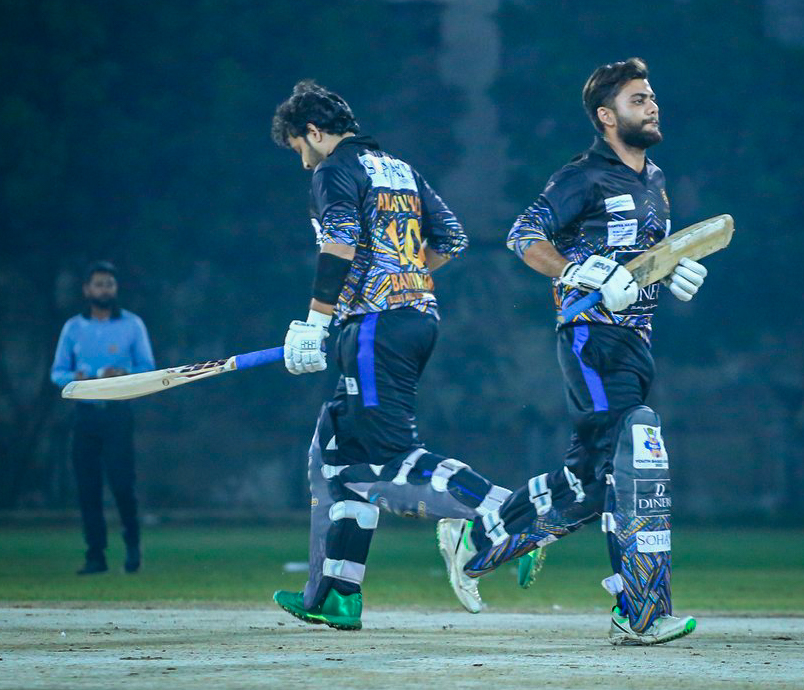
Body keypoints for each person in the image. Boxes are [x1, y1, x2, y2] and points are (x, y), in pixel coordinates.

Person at [437, 58, 709, 646]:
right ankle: (640, 611)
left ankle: (477, 539)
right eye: (638, 100)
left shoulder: (655, 179)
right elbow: (522, 237)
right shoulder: (581, 176)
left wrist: (675, 272)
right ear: (607, 117)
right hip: (590, 337)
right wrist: (576, 271)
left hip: (637, 342)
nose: (652, 106)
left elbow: (645, 259)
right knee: (634, 451)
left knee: (588, 481)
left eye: (652, 96)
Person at [269, 80, 538, 631]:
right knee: (334, 456)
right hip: (412, 320)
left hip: (375, 327)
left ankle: (511, 516)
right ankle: (334, 593)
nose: (303, 161)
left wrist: (316, 321)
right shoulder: (399, 169)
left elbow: (339, 240)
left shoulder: (333, 169)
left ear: (313, 133)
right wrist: (402, 276)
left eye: (298, 147)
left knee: (389, 456)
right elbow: (453, 238)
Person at [50, 261, 155, 575]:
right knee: (88, 488)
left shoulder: (132, 325)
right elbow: (57, 373)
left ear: (116, 288)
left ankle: (132, 548)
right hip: (85, 415)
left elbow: (149, 369)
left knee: (122, 484)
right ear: (87, 289)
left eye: (109, 284)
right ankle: (95, 555)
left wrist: (123, 372)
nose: (104, 289)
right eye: (98, 284)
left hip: (117, 413)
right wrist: (77, 378)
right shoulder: (73, 328)